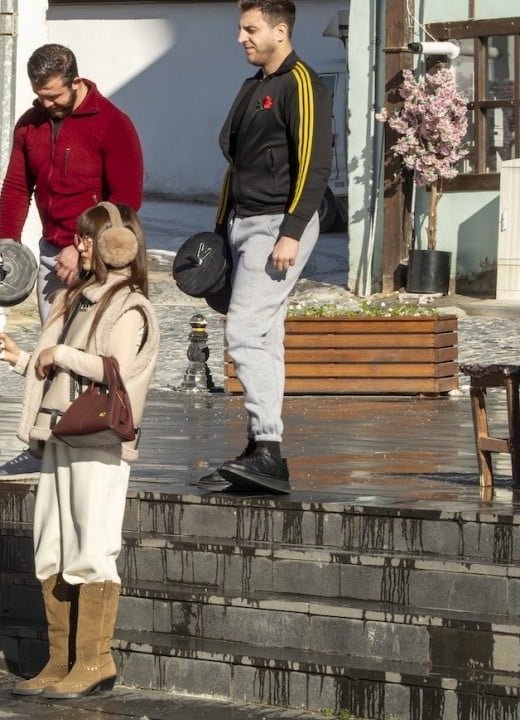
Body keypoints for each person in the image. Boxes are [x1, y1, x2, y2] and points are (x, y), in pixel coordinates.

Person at [0, 202, 159, 699]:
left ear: (115, 243)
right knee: (53, 546)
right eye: (80, 237)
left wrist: (59, 354)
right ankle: (61, 658)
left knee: (92, 545)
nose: (78, 245)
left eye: (89, 237)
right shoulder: (76, 297)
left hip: (100, 441)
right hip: (62, 436)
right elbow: (58, 376)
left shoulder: (130, 304)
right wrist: (23, 358)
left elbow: (118, 371)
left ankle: (95, 660)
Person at [0, 43, 145, 479]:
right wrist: (8, 249)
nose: (46, 104)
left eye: (54, 96)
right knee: (50, 350)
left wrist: (83, 248)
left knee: (87, 353)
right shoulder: (31, 125)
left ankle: (90, 442)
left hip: (100, 260)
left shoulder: (113, 124)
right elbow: (17, 188)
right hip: (48, 254)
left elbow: (127, 202)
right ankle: (42, 447)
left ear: (76, 81)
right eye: (40, 96)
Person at [200, 0, 332, 495]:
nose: (242, 38)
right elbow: (235, 166)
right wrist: (218, 231)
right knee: (266, 336)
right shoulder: (253, 87)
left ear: (281, 30)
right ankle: (259, 448)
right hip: (243, 223)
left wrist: (293, 230)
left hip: (279, 223)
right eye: (241, 29)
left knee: (245, 331)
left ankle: (270, 453)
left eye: (250, 29)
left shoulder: (302, 83)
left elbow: (316, 163)